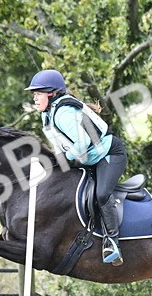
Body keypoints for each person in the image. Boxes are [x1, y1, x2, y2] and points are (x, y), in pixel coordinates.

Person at [25, 69, 127, 265]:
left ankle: (112, 242)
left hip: (109, 155)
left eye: (38, 94)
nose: (35, 99)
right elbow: (60, 147)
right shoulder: (47, 116)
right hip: (88, 159)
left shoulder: (63, 113)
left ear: (51, 93)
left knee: (102, 194)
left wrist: (64, 160)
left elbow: (81, 145)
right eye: (34, 95)